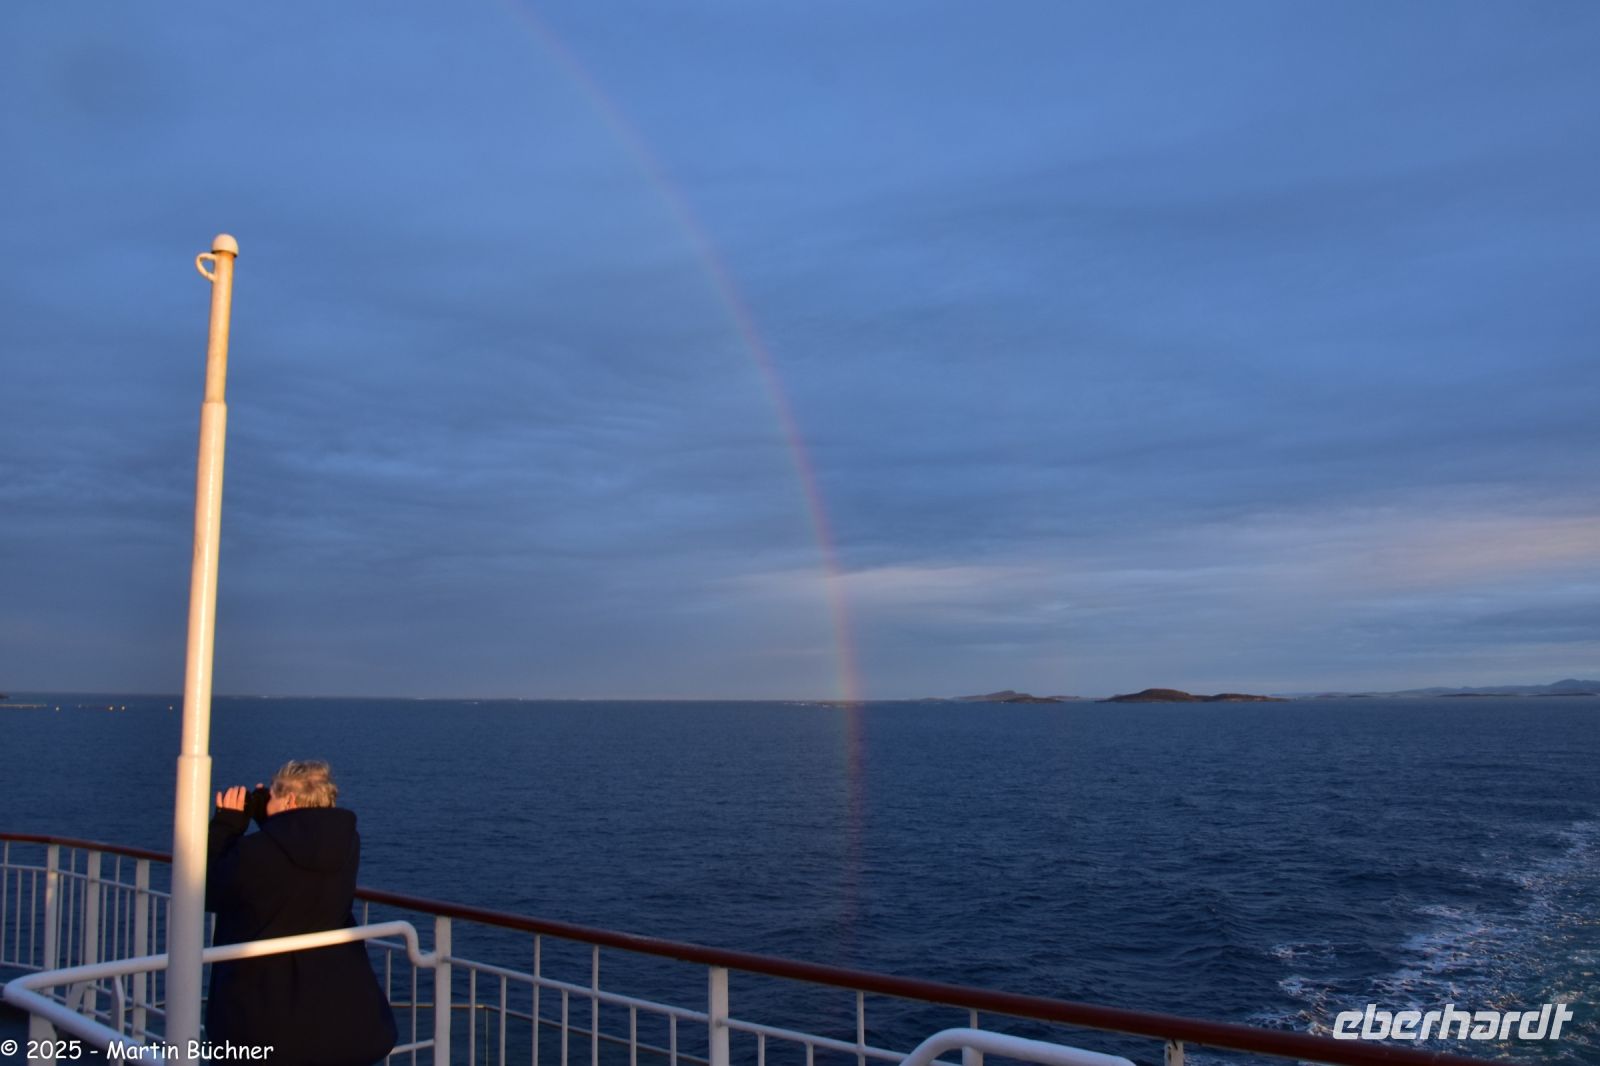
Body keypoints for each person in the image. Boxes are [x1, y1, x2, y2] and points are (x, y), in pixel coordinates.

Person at [206, 759, 397, 1066]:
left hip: (264, 1011)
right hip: (337, 1006)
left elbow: (206, 889)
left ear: (291, 799)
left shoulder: (257, 852)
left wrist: (227, 825)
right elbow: (299, 849)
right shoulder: (347, 843)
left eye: (273, 795)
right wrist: (271, 820)